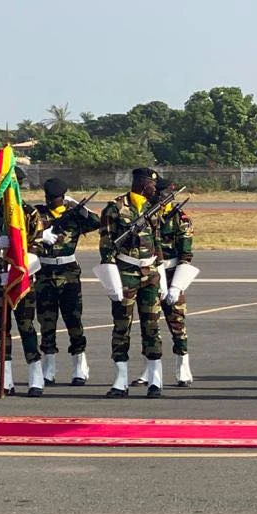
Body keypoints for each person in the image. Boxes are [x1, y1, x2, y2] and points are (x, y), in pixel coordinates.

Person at [0, 166, 44, 397]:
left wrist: (19, 266)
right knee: (1, 328)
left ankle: (36, 378)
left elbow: (38, 245)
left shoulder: (28, 212)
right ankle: (6, 379)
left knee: (26, 327)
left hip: (22, 276)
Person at [96, 167, 164, 398]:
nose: (155, 188)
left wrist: (161, 274)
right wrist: (111, 277)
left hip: (150, 273)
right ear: (142, 183)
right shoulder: (114, 208)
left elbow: (158, 242)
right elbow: (106, 246)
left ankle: (155, 379)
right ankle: (120, 379)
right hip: (125, 272)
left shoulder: (152, 208)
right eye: (152, 184)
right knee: (122, 327)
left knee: (152, 326)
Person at [33, 178, 101, 386]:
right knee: (46, 322)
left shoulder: (72, 216)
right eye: (48, 197)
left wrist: (80, 209)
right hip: (44, 271)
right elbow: (22, 230)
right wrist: (39, 234)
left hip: (69, 272)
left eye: (55, 198)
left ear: (63, 197)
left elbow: (97, 223)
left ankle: (79, 365)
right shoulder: (37, 214)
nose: (51, 201)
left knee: (73, 320)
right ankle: (49, 367)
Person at [146, 177, 195, 387]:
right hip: (150, 273)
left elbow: (186, 254)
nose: (158, 197)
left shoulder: (180, 219)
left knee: (177, 323)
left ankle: (183, 367)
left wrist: (176, 286)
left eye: (162, 194)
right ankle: (149, 370)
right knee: (150, 324)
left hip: (172, 272)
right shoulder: (147, 215)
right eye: (156, 194)